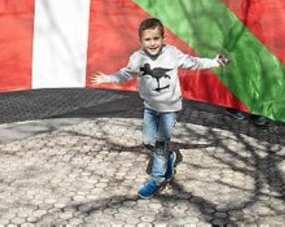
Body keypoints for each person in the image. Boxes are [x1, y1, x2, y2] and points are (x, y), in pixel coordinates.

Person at [90, 17, 229, 199]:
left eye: (156, 38)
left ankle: (157, 179)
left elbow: (194, 63)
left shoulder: (172, 54)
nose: (152, 43)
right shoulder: (138, 58)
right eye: (148, 39)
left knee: (161, 143)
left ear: (164, 39)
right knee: (149, 141)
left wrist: (215, 62)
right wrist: (107, 78)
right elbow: (126, 73)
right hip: (150, 107)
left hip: (169, 108)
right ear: (140, 41)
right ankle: (169, 158)